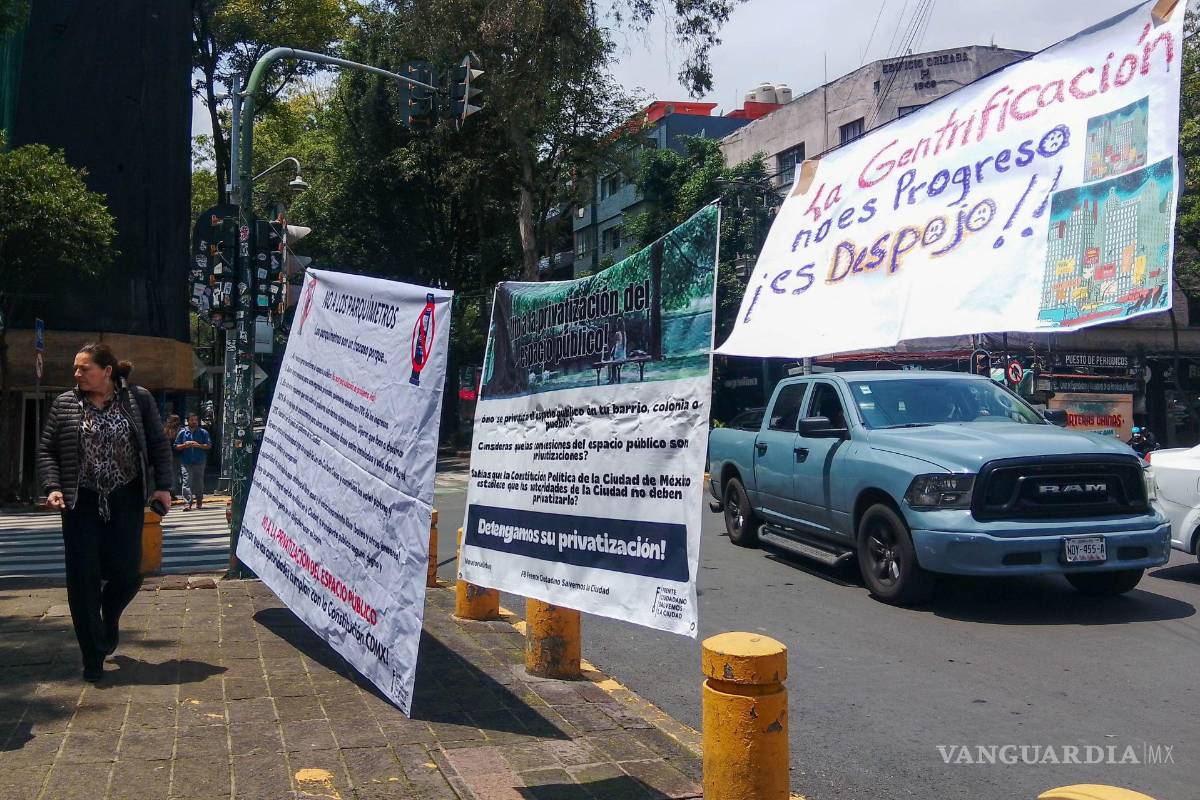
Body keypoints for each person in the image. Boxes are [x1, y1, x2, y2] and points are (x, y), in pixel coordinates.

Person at [37, 343, 173, 682]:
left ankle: (108, 617)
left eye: (84, 368)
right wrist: (52, 487)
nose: (77, 374)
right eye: (76, 368)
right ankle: (93, 655)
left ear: (107, 371)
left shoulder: (137, 399)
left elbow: (158, 443)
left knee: (127, 572)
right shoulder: (65, 404)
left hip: (125, 497)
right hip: (80, 501)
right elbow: (47, 450)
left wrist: (163, 486)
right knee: (83, 578)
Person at [175, 412, 211, 510]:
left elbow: (208, 445)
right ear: (188, 421)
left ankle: (199, 500)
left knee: (199, 482)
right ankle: (187, 503)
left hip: (200, 461)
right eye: (192, 420)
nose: (194, 422)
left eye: (196, 420)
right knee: (186, 481)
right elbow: (176, 446)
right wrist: (184, 445)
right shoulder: (182, 432)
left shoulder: (203, 432)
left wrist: (198, 445)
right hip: (186, 461)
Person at [163, 414, 182, 502]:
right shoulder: (178, 431)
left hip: (168, 454)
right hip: (175, 455)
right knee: (174, 473)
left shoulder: (166, 430)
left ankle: (170, 491)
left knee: (171, 474)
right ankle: (171, 492)